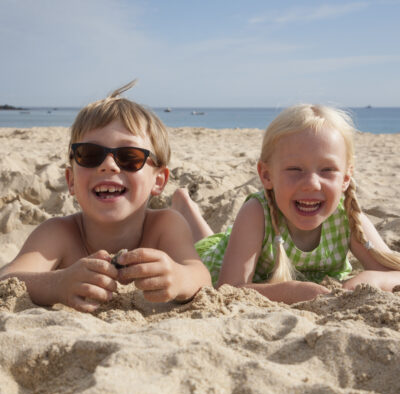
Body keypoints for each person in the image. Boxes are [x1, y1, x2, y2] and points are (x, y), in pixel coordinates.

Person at [0, 80, 211, 312]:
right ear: (70, 181)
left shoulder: (165, 225)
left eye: (130, 156)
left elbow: (203, 277)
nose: (108, 165)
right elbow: (8, 280)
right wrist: (58, 283)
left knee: (207, 241)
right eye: (90, 155)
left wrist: (179, 277)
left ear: (158, 181)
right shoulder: (59, 233)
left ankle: (184, 204)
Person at [172, 104, 400, 304]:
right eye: (294, 169)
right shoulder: (256, 212)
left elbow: (393, 272)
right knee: (204, 245)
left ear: (346, 178)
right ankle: (184, 204)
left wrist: (371, 278)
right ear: (266, 175)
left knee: (212, 236)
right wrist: (289, 292)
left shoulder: (349, 217)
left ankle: (186, 205)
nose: (311, 183)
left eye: (327, 170)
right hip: (221, 257)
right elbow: (229, 288)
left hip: (239, 242)